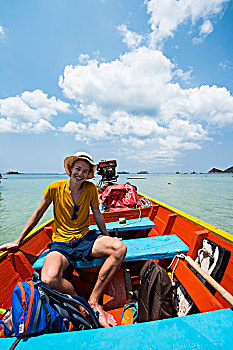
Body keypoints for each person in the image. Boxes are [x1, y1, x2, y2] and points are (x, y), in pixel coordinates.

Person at [0, 152, 127, 328]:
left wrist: (105, 235)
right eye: (78, 169)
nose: (80, 174)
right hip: (61, 244)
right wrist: (19, 241)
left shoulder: (90, 189)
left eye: (85, 171)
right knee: (48, 279)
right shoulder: (54, 188)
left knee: (119, 248)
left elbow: (97, 214)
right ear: (70, 169)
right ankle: (77, 301)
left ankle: (94, 300)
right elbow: (38, 214)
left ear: (89, 173)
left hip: (84, 239)